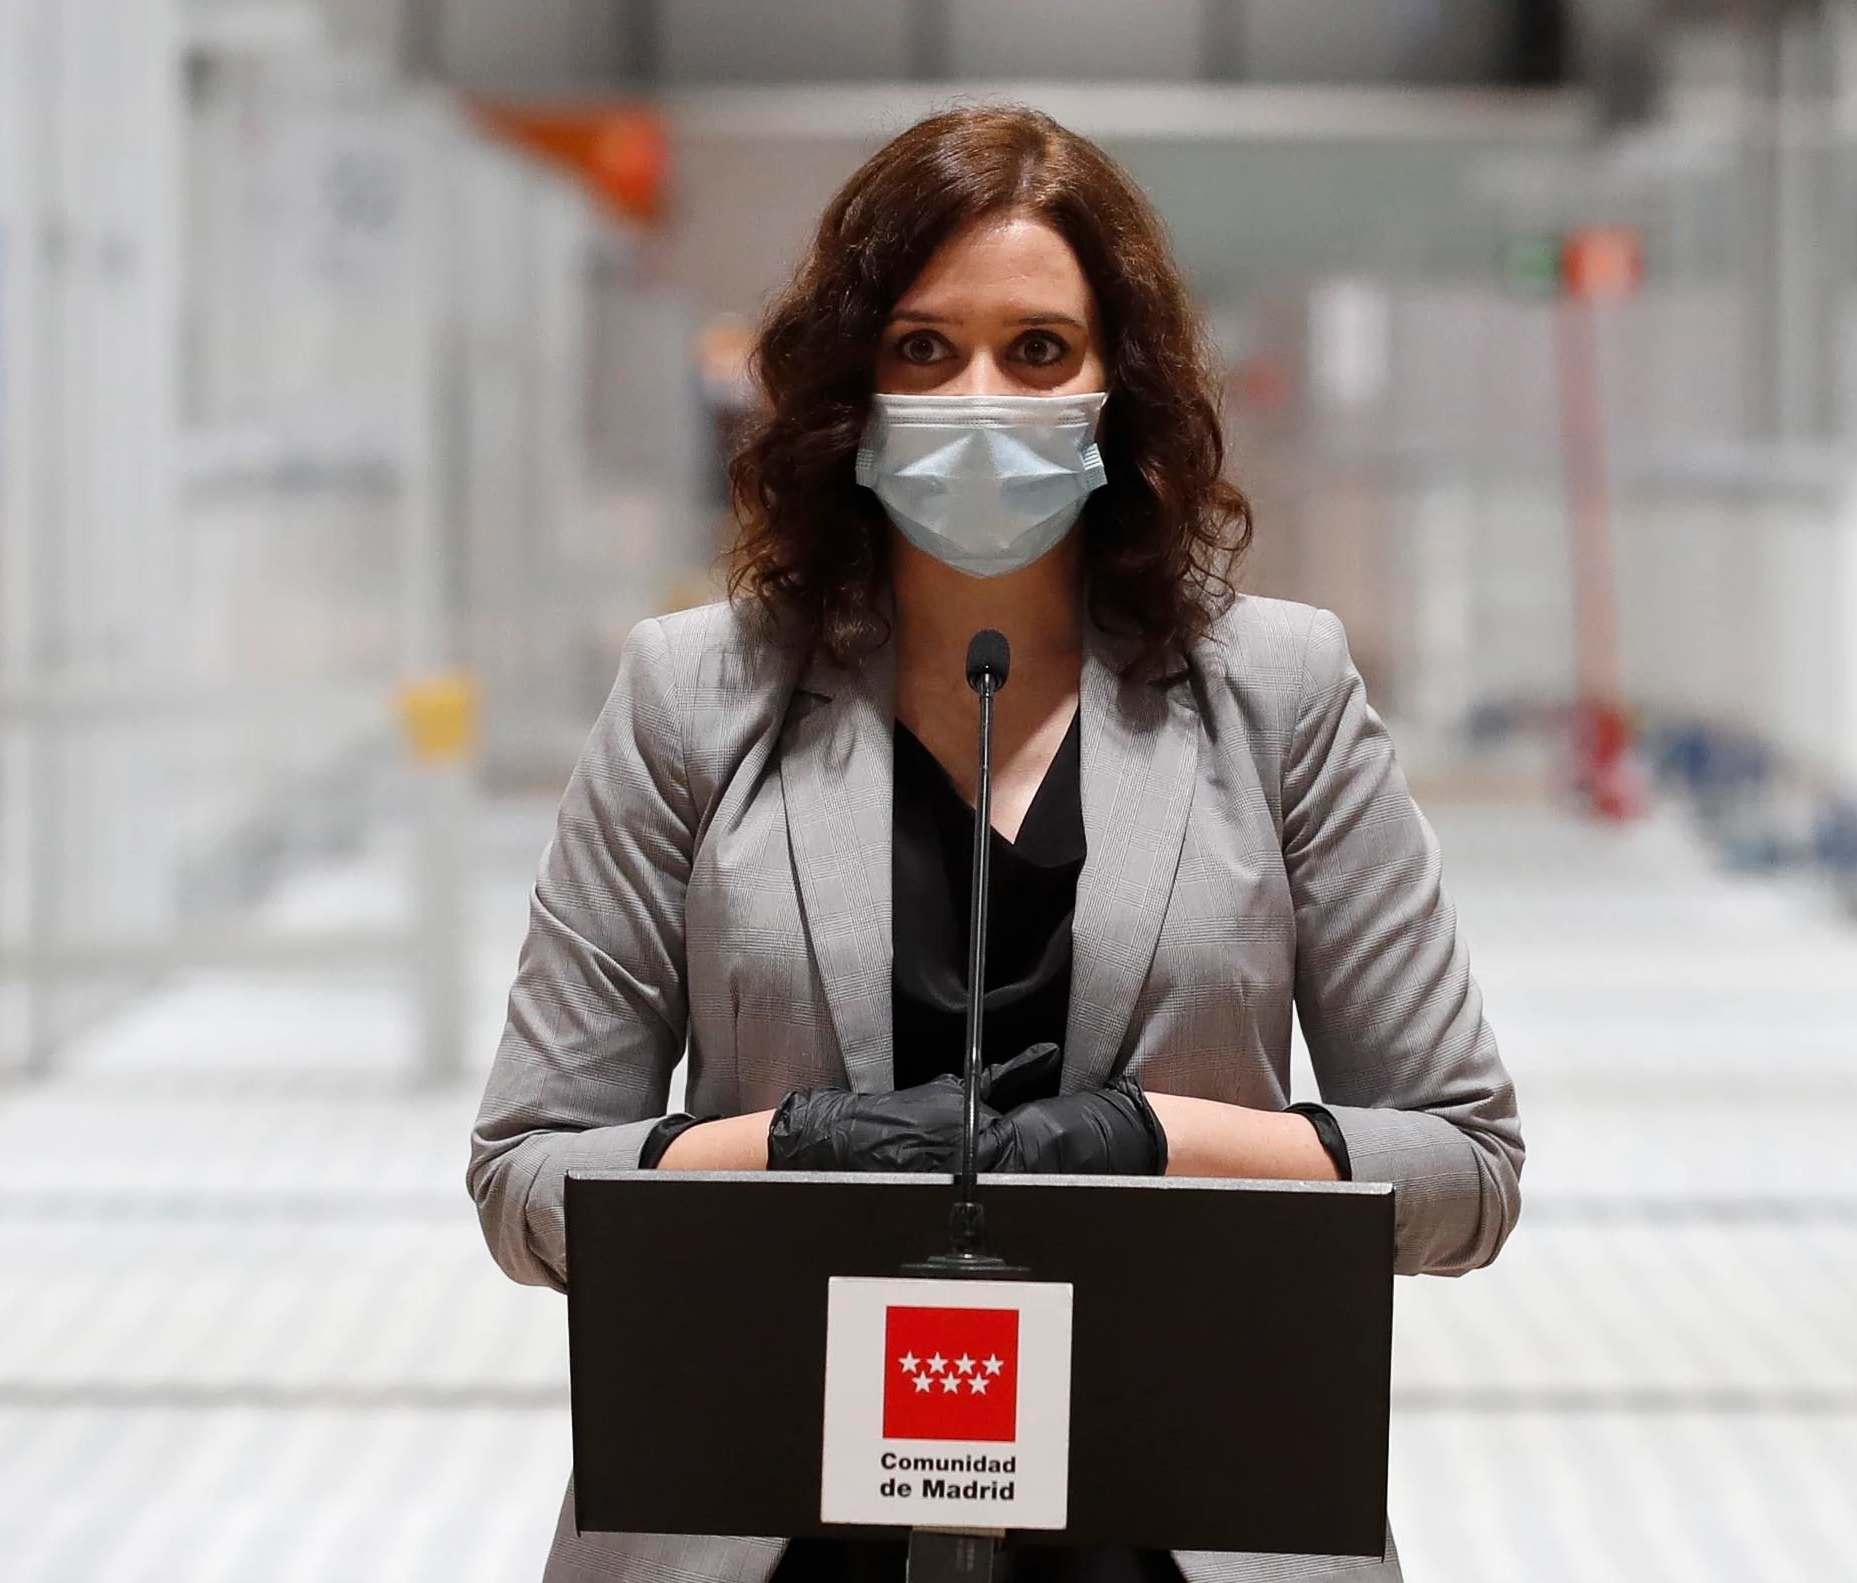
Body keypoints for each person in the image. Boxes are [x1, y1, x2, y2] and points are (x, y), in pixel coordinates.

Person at [470, 105, 1523, 1583]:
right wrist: (787, 1150)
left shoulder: (1279, 692)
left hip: (1180, 1531)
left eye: (1038, 350)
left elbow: (1463, 1170)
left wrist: (1154, 1147)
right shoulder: (689, 697)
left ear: (1118, 386)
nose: (981, 396)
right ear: (853, 387)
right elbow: (527, 1180)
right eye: (923, 349)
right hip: (768, 1533)